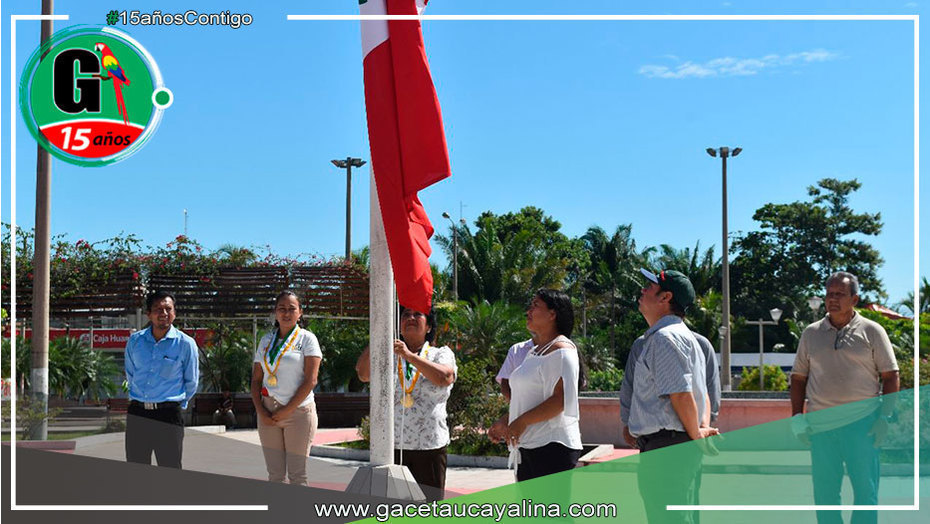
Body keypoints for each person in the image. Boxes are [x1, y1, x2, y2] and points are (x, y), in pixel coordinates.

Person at [790, 271, 899, 524]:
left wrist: (885, 417)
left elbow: (891, 375)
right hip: (822, 427)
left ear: (855, 299)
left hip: (863, 426)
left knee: (865, 493)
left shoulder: (872, 331)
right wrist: (797, 417)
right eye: (829, 294)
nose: (833, 299)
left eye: (840, 294)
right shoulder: (811, 333)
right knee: (825, 494)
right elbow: (798, 379)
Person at [626, 269, 718, 524]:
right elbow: (703, 395)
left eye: (649, 286)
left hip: (667, 444)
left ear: (666, 297)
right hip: (675, 443)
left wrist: (697, 435)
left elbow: (681, 393)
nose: (642, 290)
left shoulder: (664, 339)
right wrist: (700, 429)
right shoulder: (685, 336)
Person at [355, 305, 457, 501]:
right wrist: (379, 336)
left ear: (428, 326)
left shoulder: (440, 353)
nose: (410, 317)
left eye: (417, 314)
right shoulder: (388, 355)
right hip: (392, 446)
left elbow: (444, 377)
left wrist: (408, 356)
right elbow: (363, 374)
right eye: (405, 314)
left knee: (428, 508)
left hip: (429, 446)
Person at [496, 289, 583, 482]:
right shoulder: (535, 352)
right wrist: (507, 420)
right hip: (530, 447)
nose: (528, 311)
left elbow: (560, 401)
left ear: (553, 314)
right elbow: (529, 399)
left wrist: (522, 421)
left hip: (552, 448)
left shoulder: (563, 351)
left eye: (535, 305)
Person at [249, 290, 322, 486]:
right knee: (275, 476)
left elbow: (311, 380)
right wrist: (261, 411)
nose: (286, 313)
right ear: (275, 312)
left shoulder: (307, 339)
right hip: (267, 413)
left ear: (300, 313)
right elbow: (256, 380)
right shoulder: (266, 340)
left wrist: (286, 411)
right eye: (282, 309)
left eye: (292, 309)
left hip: (297, 413)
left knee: (297, 476)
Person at [124, 290, 199, 468]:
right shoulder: (135, 341)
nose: (163, 313)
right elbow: (131, 374)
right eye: (157, 309)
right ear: (148, 314)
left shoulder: (185, 344)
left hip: (168, 415)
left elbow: (192, 381)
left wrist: (176, 404)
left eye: (168, 308)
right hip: (138, 414)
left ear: (175, 313)